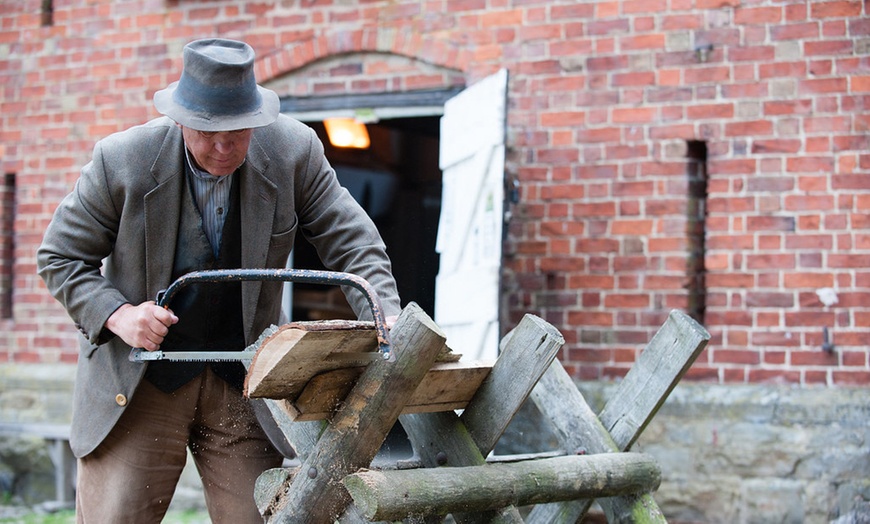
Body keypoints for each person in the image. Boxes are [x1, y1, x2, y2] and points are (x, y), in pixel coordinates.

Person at [37, 38, 401, 523]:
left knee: (259, 517)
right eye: (209, 132)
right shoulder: (121, 160)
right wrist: (119, 315)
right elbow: (60, 257)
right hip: (142, 377)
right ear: (181, 117)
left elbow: (352, 240)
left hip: (244, 376)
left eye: (239, 130)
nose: (225, 146)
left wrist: (386, 315)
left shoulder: (294, 150)